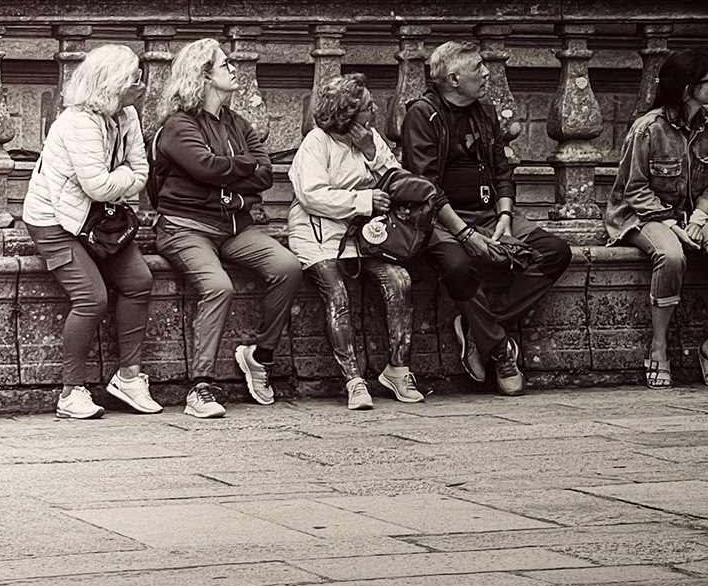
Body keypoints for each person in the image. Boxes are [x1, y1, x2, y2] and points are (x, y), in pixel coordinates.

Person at [399, 41, 573, 397]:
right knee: (457, 265)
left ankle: (481, 328)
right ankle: (500, 350)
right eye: (478, 67)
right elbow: (425, 188)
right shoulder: (423, 114)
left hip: (491, 213)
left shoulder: (485, 111)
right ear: (453, 79)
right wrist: (465, 234)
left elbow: (503, 169)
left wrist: (505, 215)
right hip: (442, 221)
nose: (487, 72)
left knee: (556, 252)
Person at [151, 38, 302, 418]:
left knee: (288, 267)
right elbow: (205, 166)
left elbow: (265, 175)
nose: (234, 69)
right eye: (225, 64)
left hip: (235, 227)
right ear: (203, 76)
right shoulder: (179, 125)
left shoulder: (238, 123)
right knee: (219, 286)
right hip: (185, 228)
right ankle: (200, 388)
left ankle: (260, 356)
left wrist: (230, 173)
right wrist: (242, 168)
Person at [23, 44, 157, 418]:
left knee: (139, 281)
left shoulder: (127, 115)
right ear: (113, 83)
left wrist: (122, 179)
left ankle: (129, 378)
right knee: (92, 298)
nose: (142, 86)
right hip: (54, 220)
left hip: (99, 219)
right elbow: (100, 185)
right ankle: (71, 393)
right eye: (135, 79)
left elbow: (142, 173)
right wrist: (125, 178)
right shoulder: (78, 122)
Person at [605, 49, 708, 389]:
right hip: (645, 214)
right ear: (687, 89)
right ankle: (659, 348)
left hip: (698, 213)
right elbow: (634, 189)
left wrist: (698, 218)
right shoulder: (648, 128)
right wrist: (671, 223)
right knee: (670, 255)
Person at [288, 73, 423, 409]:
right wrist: (363, 200)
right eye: (367, 107)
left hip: (366, 237)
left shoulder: (371, 139)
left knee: (399, 280)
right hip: (318, 235)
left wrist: (371, 152)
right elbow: (312, 195)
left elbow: (397, 181)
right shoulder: (317, 142)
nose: (375, 111)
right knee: (337, 293)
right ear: (347, 114)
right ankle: (354, 380)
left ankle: (398, 370)